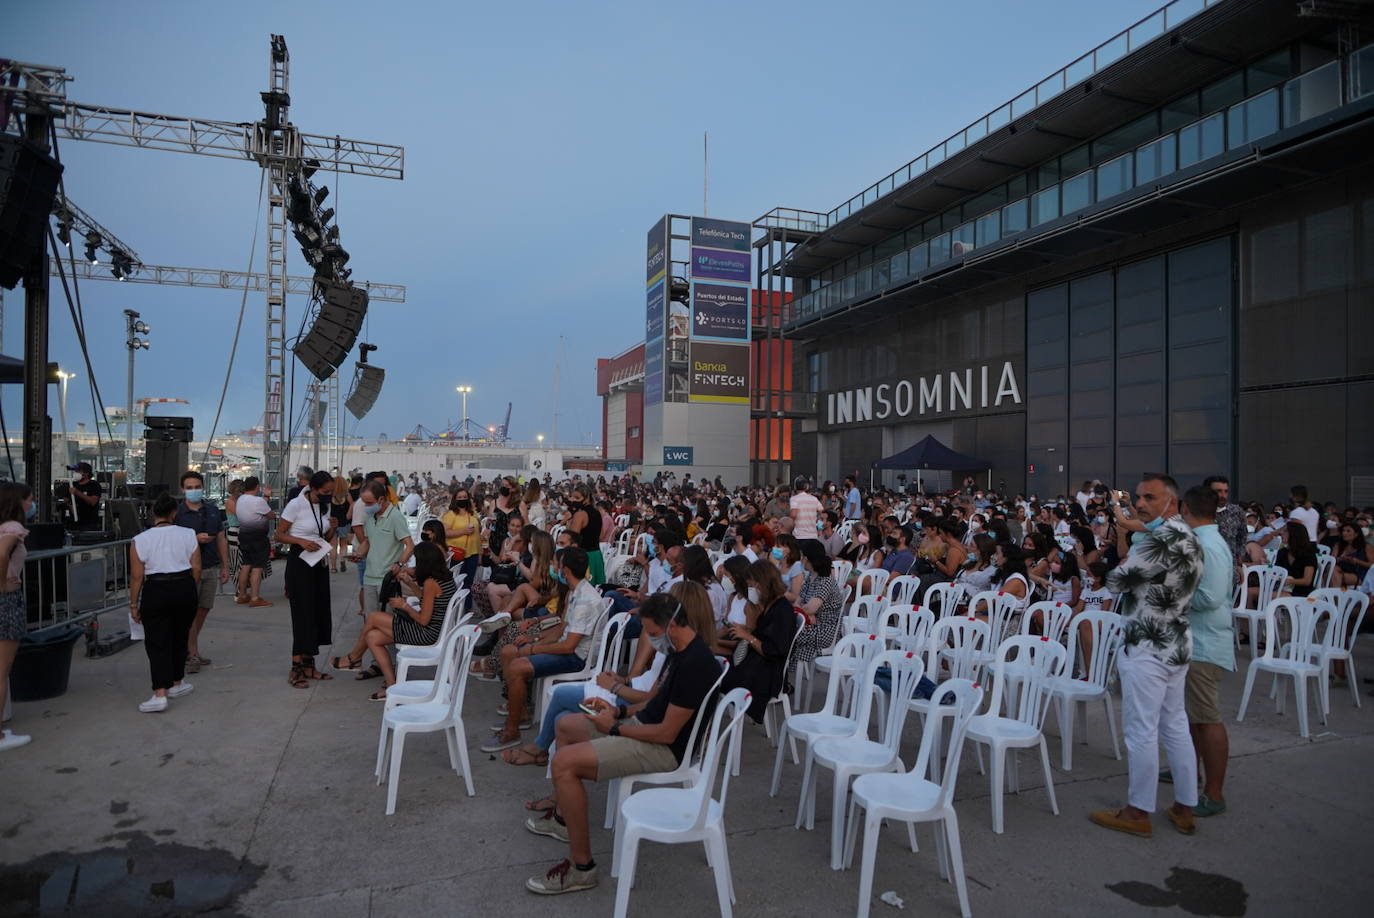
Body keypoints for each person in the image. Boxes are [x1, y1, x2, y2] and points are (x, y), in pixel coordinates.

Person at [522, 592, 720, 895]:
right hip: (645, 728)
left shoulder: (696, 664)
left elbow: (667, 734)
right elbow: (654, 702)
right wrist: (618, 711)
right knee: (566, 725)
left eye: (653, 633)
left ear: (672, 625)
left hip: (663, 750)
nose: (651, 641)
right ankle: (563, 819)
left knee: (564, 764)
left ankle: (582, 868)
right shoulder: (679, 650)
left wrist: (614, 728)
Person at [1091, 473, 1203, 838]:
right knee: (1175, 725)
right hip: (1177, 640)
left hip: (1147, 644)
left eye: (1150, 498)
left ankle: (1137, 811)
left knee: (1141, 730)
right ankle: (1185, 806)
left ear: (1171, 502)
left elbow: (1116, 581)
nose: (1140, 504)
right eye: (1138, 497)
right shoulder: (1189, 536)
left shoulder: (1158, 541)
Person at [484, 547, 603, 753]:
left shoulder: (586, 600)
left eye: (557, 566)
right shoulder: (576, 591)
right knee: (510, 651)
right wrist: (534, 638)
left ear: (565, 571)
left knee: (518, 665)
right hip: (567, 647)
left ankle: (511, 732)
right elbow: (562, 627)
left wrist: (532, 649)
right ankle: (520, 712)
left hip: (576, 658)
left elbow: (569, 646)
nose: (554, 568)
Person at [1179, 485, 1233, 819]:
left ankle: (1214, 792)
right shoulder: (1206, 541)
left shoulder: (1209, 545)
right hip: (1194, 639)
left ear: (1186, 510)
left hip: (1204, 640)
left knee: (1206, 718)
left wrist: (1174, 597)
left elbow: (1210, 597)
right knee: (1192, 716)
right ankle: (1188, 769)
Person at [356, 541, 460, 700]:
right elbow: (426, 601)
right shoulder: (443, 577)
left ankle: (354, 658)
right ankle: (391, 685)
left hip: (428, 634)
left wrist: (404, 605)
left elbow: (423, 620)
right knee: (372, 637)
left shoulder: (431, 582)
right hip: (436, 629)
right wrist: (410, 583)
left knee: (373, 617)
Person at [129, 493, 201, 713]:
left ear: (153, 513)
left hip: (156, 589)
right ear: (174, 512)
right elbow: (196, 567)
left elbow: (137, 576)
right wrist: (190, 588)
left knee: (157, 641)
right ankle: (177, 682)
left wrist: (134, 604)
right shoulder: (189, 534)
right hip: (184, 586)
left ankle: (160, 693)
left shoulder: (140, 540)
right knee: (180, 636)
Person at [333, 480, 414, 673]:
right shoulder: (371, 518)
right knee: (370, 621)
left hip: (387, 579)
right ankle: (376, 663)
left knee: (388, 625)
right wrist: (359, 554)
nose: (366, 507)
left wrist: (399, 564)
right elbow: (368, 541)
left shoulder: (395, 517)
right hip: (370, 577)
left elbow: (409, 545)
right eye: (364, 503)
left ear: (382, 499)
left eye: (369, 503)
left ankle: (386, 664)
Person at [276, 471, 337, 688]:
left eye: (331, 492)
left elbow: (323, 536)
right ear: (313, 488)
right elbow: (278, 534)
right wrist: (300, 541)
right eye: (325, 492)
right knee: (302, 613)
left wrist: (333, 528)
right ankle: (296, 667)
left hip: (318, 561)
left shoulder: (324, 506)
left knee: (318, 612)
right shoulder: (296, 504)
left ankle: (310, 663)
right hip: (300, 561)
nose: (328, 496)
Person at [720, 560, 798, 722]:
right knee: (714, 665)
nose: (750, 591)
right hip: (756, 664)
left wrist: (747, 636)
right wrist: (746, 628)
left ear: (763, 584)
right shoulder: (770, 605)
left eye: (752, 586)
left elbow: (772, 650)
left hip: (766, 674)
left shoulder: (782, 611)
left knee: (715, 675)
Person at [174, 471, 229, 675]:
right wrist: (194, 539)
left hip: (210, 566)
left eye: (197, 487)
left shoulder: (213, 510)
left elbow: (221, 538)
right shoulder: (178, 514)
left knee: (203, 609)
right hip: (187, 569)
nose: (194, 491)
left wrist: (225, 566)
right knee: (189, 611)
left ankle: (190, 649)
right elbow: (172, 539)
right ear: (183, 490)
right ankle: (191, 652)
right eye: (189, 488)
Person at [0, 483, 35, 750]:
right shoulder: (12, 528)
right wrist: (3, 583)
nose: (31, 505)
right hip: (6, 601)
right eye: (30, 500)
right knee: (1, 672)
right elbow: (2, 554)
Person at [793, 539, 844, 668]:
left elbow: (810, 608)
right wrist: (805, 613)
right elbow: (797, 603)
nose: (801, 559)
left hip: (824, 630)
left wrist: (805, 611)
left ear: (808, 558)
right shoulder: (811, 577)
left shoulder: (826, 580)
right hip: (811, 625)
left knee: (785, 632)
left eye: (802, 556)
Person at [233, 477, 274, 607]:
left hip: (243, 535)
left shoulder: (240, 499)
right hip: (258, 538)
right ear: (257, 487)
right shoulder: (257, 501)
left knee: (245, 565)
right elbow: (271, 515)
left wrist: (265, 498)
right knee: (257, 567)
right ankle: (255, 598)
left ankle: (242, 594)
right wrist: (267, 497)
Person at [441, 488, 482, 597]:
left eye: (464, 497)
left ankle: (466, 607)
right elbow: (444, 533)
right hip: (456, 553)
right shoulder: (451, 514)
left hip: (472, 553)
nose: (462, 499)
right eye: (459, 497)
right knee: (456, 582)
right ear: (455, 499)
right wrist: (463, 531)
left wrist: (480, 554)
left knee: (469, 582)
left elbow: (478, 534)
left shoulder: (472, 513)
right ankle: (454, 606)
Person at [1204, 476, 1245, 573]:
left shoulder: (1236, 512)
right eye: (1218, 491)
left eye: (1226, 491)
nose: (1223, 495)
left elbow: (1242, 537)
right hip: (1206, 570)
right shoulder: (1198, 512)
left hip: (1230, 570)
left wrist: (1239, 564)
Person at [566, 486, 606, 586]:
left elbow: (572, 539)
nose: (573, 500)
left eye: (577, 497)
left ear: (586, 498)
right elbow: (601, 536)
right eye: (572, 497)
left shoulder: (580, 514)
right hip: (597, 555)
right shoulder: (597, 513)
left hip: (583, 557)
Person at [1276, 521, 1317, 598]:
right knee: (1251, 592)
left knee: (1264, 595)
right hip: (1281, 588)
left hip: (1300, 591)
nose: (1281, 533)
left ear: (1294, 534)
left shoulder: (1308, 554)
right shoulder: (1282, 552)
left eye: (1285, 531)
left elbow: (1307, 581)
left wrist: (1289, 581)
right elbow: (1277, 571)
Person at [64, 461, 102, 529]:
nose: (76, 473)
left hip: (88, 524)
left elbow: (93, 502)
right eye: (75, 471)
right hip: (73, 524)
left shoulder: (94, 485)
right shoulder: (72, 484)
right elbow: (66, 500)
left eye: (78, 471)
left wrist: (77, 492)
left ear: (86, 473)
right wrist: (70, 506)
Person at [329, 475, 353, 573]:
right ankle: (342, 560)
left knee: (333, 546)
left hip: (333, 523)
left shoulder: (330, 495)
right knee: (343, 544)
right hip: (344, 523)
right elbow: (352, 505)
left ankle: (333, 567)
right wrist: (348, 515)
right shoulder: (347, 495)